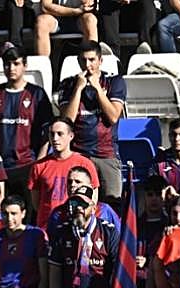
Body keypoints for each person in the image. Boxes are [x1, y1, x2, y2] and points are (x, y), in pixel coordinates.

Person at [0, 46, 54, 210]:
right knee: (0, 215)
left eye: (16, 63)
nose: (11, 68)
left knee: (28, 214)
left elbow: (46, 135)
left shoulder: (37, 94)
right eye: (7, 64)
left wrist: (38, 164)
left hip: (27, 165)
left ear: (25, 65)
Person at [47, 184, 119, 288]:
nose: (78, 208)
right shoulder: (62, 232)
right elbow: (54, 273)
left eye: (83, 204)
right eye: (74, 204)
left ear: (93, 208)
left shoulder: (109, 232)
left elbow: (118, 272)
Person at [57, 41, 126, 201]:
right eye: (83, 60)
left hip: (106, 154)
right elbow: (67, 122)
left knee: (113, 204)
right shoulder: (68, 84)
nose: (87, 65)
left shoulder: (114, 81)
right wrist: (78, 89)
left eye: (92, 60)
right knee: (79, 203)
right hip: (79, 154)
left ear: (100, 61)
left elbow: (113, 116)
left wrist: (97, 89)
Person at [28, 119, 100, 229]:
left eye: (60, 134)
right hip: (47, 228)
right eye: (52, 134)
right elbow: (36, 204)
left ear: (71, 136)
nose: (55, 138)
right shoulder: (39, 166)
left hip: (77, 226)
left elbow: (93, 200)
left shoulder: (85, 164)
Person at [33, 0, 98, 59]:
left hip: (80, 18)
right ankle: (43, 66)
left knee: (91, 20)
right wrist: (74, 11)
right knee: (42, 22)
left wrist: (85, 5)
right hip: (56, 17)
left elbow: (89, 5)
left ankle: (92, 60)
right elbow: (45, 6)